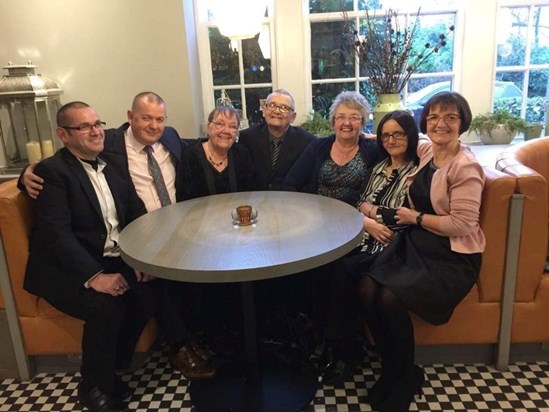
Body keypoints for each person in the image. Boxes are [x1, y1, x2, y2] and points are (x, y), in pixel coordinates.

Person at [20, 92, 216, 380]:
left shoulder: (168, 138)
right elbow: (59, 179)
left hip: (156, 236)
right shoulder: (107, 146)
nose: (154, 125)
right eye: (146, 118)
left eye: (159, 119)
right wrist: (25, 174)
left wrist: (141, 254)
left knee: (183, 273)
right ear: (130, 117)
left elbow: (203, 147)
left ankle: (131, 360)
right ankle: (177, 346)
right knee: (151, 286)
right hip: (103, 250)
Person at [342, 92, 486, 412]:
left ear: (462, 123)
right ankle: (392, 369)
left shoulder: (466, 167)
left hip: (451, 254)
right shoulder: (427, 151)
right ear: (425, 124)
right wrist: (361, 133)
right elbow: (398, 140)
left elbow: (463, 225)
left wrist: (415, 217)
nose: (441, 124)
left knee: (390, 297)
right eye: (433, 117)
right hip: (420, 243)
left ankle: (406, 374)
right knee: (367, 287)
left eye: (450, 117)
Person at [23, 101, 157, 412]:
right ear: (63, 134)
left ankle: (113, 366)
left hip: (107, 256)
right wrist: (95, 277)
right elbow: (58, 236)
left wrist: (142, 259)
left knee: (150, 291)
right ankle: (93, 386)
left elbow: (136, 214)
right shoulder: (51, 173)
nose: (96, 131)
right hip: (63, 269)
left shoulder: (113, 164)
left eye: (98, 123)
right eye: (85, 126)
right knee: (105, 307)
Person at [321, 110, 419, 385]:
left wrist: (370, 215)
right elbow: (359, 202)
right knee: (331, 268)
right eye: (386, 135)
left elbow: (401, 216)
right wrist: (371, 220)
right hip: (365, 239)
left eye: (398, 133)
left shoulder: (417, 171)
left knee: (345, 272)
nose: (391, 140)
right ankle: (338, 346)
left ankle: (346, 351)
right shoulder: (378, 166)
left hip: (393, 246)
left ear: (410, 135)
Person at [283, 90, 378, 205]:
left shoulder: (372, 151)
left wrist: (377, 137)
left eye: (353, 118)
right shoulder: (318, 146)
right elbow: (290, 183)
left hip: (357, 217)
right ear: (334, 122)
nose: (347, 123)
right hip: (318, 215)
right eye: (341, 117)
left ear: (362, 122)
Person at [238, 89, 316, 190]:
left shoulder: (307, 142)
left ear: (292, 117)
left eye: (284, 108)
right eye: (271, 105)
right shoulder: (247, 138)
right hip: (255, 200)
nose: (277, 111)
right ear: (264, 111)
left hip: (292, 201)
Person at [176, 105, 256, 199]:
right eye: (220, 124)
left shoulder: (242, 154)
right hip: (199, 213)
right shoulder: (190, 155)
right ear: (209, 127)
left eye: (232, 126)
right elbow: (183, 198)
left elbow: (250, 193)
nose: (226, 131)